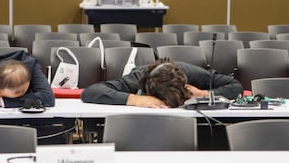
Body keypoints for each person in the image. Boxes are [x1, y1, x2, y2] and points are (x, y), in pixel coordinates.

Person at [81, 58, 243, 108]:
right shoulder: (138, 78)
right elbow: (90, 92)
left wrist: (205, 94)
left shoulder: (192, 73)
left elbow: (235, 86)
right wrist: (135, 99)